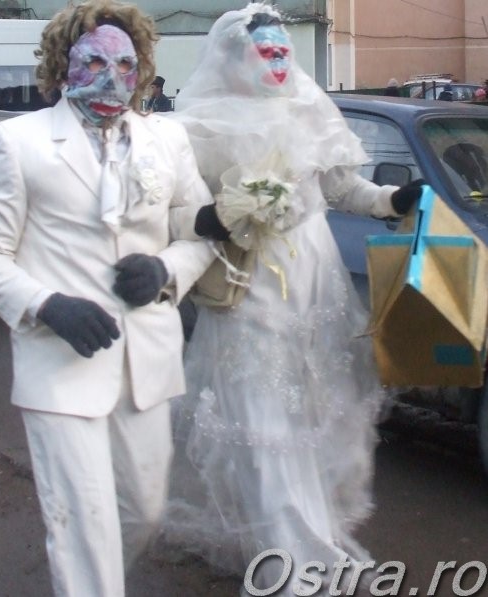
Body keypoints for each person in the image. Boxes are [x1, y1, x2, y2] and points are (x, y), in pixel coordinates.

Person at [157, 4, 422, 595]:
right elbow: (176, 211)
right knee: (260, 418)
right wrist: (220, 216)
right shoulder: (194, 126)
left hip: (313, 278)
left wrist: (390, 200)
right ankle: (290, 558)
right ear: (234, 57)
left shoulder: (308, 108)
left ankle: (302, 534)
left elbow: (342, 188)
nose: (278, 61)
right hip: (247, 282)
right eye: (266, 51)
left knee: (307, 415)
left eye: (284, 51)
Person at [0, 1, 215, 596]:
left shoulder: (166, 138)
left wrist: (165, 269)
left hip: (147, 362)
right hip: (59, 367)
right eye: (94, 62)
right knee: (84, 525)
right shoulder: (17, 141)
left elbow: (200, 233)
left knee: (144, 512)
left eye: (125, 65)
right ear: (63, 65)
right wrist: (46, 305)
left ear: (142, 68)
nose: (112, 77)